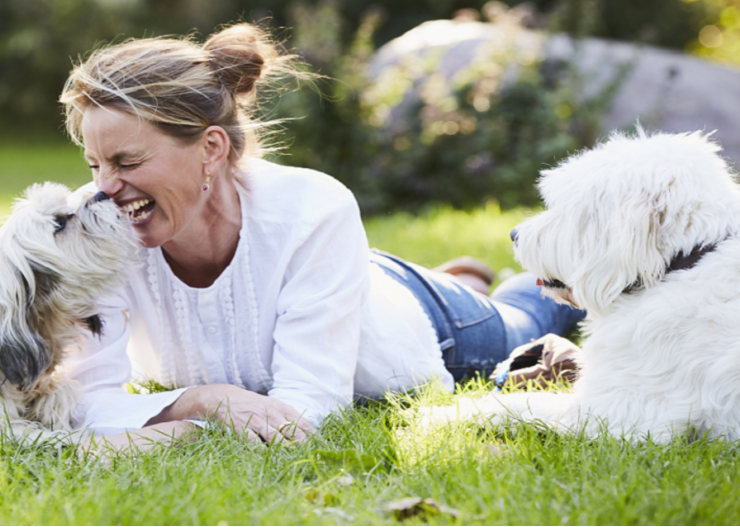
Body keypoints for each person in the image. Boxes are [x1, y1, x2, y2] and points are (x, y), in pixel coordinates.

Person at [58, 24, 585, 452]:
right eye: (95, 164)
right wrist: (200, 400)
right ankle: (459, 272)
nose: (104, 189)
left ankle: (494, 286)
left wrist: (171, 423)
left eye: (128, 161)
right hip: (338, 281)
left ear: (212, 148)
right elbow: (83, 404)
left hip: (427, 325)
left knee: (530, 316)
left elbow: (308, 411)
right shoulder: (96, 227)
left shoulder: (311, 208)